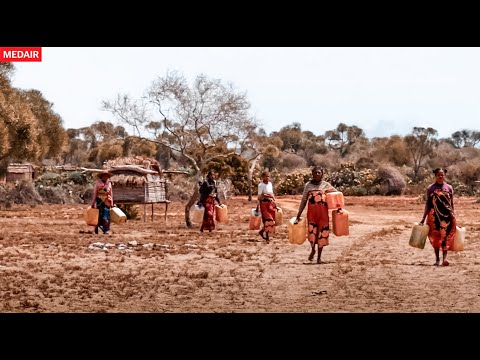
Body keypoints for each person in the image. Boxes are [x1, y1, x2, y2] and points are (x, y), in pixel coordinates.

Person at [294, 166, 337, 264]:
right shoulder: (308, 186)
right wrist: (298, 215)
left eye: (319, 173)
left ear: (322, 174)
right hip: (312, 215)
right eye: (315, 173)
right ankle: (313, 249)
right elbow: (304, 200)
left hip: (323, 215)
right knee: (312, 233)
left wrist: (338, 206)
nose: (317, 174)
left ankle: (319, 258)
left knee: (322, 234)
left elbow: (336, 194)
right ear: (312, 174)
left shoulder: (326, 185)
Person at [419, 168, 456, 266]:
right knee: (435, 237)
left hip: (447, 217)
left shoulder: (449, 188)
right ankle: (437, 259)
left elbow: (451, 204)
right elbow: (428, 204)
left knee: (446, 237)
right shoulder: (431, 188)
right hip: (434, 217)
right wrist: (423, 218)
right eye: (439, 175)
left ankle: (444, 259)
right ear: (435, 176)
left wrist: (454, 215)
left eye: (442, 175)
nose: (441, 176)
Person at [92, 170, 114, 234]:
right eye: (104, 176)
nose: (105, 177)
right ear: (101, 176)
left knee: (106, 215)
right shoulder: (98, 183)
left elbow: (111, 193)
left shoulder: (109, 183)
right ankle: (97, 229)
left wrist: (112, 202)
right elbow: (95, 193)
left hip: (107, 201)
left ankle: (106, 229)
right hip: (99, 201)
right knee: (98, 215)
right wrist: (93, 203)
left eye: (106, 176)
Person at [257, 171, 277, 242]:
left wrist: (274, 201)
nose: (267, 178)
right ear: (262, 177)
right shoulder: (260, 185)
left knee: (272, 220)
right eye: (266, 176)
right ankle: (267, 236)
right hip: (264, 203)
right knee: (268, 220)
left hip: (270, 203)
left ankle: (262, 232)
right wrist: (257, 206)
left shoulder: (270, 184)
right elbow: (260, 195)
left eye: (268, 176)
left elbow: (272, 193)